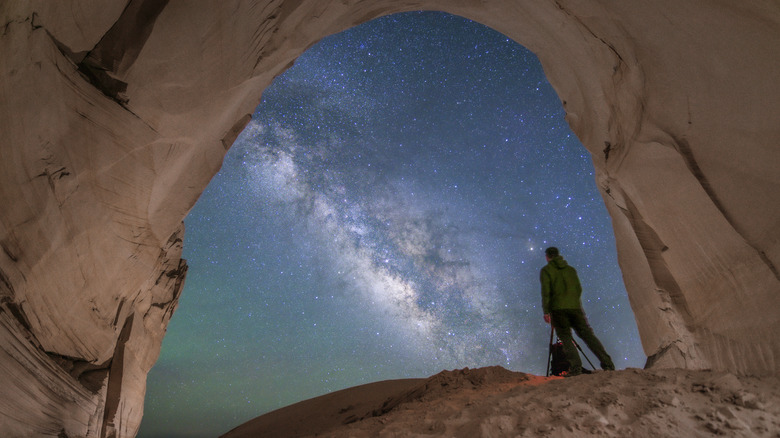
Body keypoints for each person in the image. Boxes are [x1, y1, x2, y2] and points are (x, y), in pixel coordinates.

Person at [540, 246, 615, 376]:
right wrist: (573, 302)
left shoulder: (546, 271)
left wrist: (547, 311)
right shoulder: (571, 270)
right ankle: (608, 364)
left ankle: (575, 369)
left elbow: (546, 292)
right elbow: (578, 289)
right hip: (575, 308)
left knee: (565, 338)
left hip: (558, 309)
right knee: (587, 335)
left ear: (547, 257)